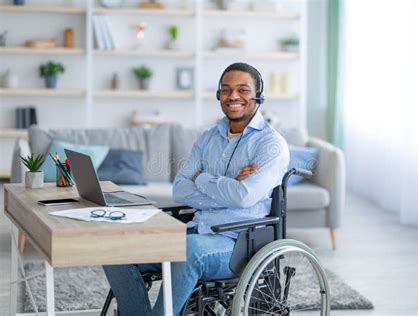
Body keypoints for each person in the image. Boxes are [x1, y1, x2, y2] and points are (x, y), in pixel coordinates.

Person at [103, 62, 289, 316]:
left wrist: (202, 178)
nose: (233, 96)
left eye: (243, 89)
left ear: (258, 95)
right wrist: (228, 185)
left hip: (238, 242)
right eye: (226, 89)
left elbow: (245, 197)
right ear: (218, 95)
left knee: (188, 252)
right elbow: (180, 190)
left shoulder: (271, 144)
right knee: (117, 249)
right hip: (196, 230)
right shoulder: (208, 138)